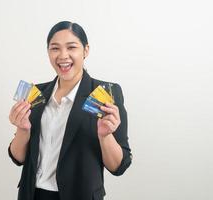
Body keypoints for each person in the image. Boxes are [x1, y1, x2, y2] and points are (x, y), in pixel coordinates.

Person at [8, 21, 132, 200]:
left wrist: (105, 136)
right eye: (55, 48)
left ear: (86, 50)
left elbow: (118, 167)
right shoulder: (36, 93)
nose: (63, 55)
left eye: (71, 47)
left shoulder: (105, 93)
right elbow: (18, 158)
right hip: (32, 194)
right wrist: (23, 129)